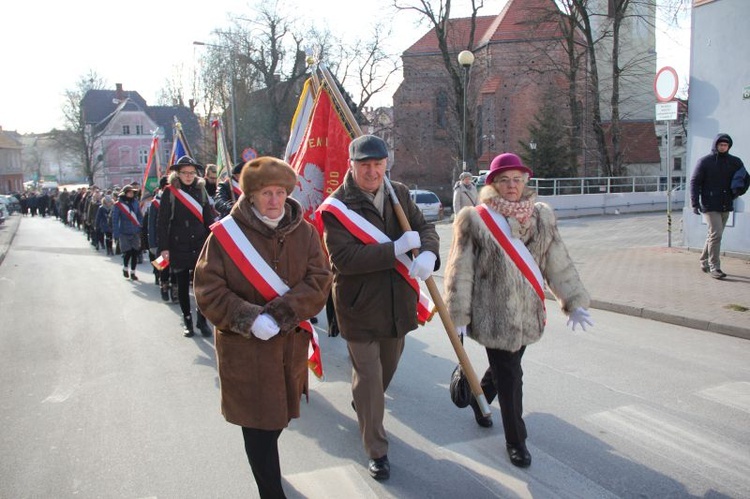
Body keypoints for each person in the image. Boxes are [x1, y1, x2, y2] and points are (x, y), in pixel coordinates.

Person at [443, 152, 593, 469]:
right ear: (493, 184)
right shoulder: (475, 219)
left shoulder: (540, 216)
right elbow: (460, 270)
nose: (512, 186)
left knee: (505, 371)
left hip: (528, 313)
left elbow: (557, 261)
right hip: (493, 314)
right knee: (512, 377)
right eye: (505, 180)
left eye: (518, 179)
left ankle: (477, 397)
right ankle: (516, 441)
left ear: (526, 181)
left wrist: (574, 301)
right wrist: (457, 315)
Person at [194, 157, 331, 499]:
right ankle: (270, 492)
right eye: (266, 192)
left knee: (278, 420)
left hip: (288, 348)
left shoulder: (305, 232)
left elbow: (320, 279)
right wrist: (250, 317)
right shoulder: (226, 236)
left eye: (280, 192)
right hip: (245, 350)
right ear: (250, 195)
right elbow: (208, 289)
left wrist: (282, 314)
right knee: (257, 427)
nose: (274, 200)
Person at [318, 134, 440, 481]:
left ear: (386, 164)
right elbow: (344, 258)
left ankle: (365, 402)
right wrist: (394, 249)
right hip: (358, 306)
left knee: (385, 371)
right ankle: (377, 449)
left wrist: (429, 253)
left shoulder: (399, 193)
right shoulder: (337, 206)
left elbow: (424, 227)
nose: (371, 171)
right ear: (351, 166)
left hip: (397, 303)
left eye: (377, 164)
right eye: (364, 165)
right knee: (370, 378)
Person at [157, 156, 216, 337]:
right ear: (178, 173)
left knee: (200, 286)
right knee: (182, 285)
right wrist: (164, 248)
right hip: (178, 244)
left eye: (191, 172)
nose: (189, 176)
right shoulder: (170, 192)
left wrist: (214, 240)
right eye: (185, 173)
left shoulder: (201, 190)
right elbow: (163, 222)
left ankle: (202, 320)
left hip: (199, 243)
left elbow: (208, 218)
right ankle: (188, 321)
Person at [690, 133, 749, 280]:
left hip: (726, 203)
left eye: (725, 145)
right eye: (720, 144)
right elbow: (694, 182)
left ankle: (704, 261)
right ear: (715, 145)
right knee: (716, 235)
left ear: (729, 146)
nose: (723, 147)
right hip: (710, 204)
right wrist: (694, 203)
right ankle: (714, 267)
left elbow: (744, 178)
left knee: (714, 235)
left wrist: (738, 192)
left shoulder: (735, 162)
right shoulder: (705, 162)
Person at [112, 185, 144, 280]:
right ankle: (125, 268)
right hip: (124, 232)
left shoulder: (135, 202)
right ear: (125, 193)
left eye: (133, 192)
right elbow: (115, 219)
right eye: (129, 192)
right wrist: (116, 233)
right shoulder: (118, 205)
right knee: (127, 252)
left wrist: (140, 225)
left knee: (135, 252)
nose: (131, 194)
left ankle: (133, 272)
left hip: (135, 231)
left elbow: (139, 215)